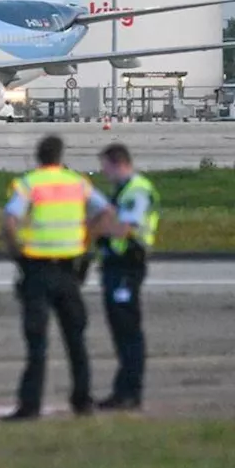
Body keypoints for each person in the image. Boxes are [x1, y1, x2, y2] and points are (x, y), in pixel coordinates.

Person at [0, 135, 115, 422]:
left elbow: (9, 221)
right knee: (76, 339)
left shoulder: (30, 183)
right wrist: (86, 240)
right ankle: (83, 401)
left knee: (37, 342)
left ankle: (30, 406)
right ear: (61, 156)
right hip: (68, 270)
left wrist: (18, 253)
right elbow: (106, 212)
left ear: (38, 157)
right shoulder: (76, 183)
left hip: (37, 269)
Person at [96, 144, 159, 411]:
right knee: (121, 329)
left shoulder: (137, 191)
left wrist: (100, 224)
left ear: (116, 163)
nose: (104, 172)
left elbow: (123, 229)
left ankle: (130, 392)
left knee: (128, 329)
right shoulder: (123, 191)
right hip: (116, 266)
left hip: (127, 266)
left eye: (105, 166)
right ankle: (124, 390)